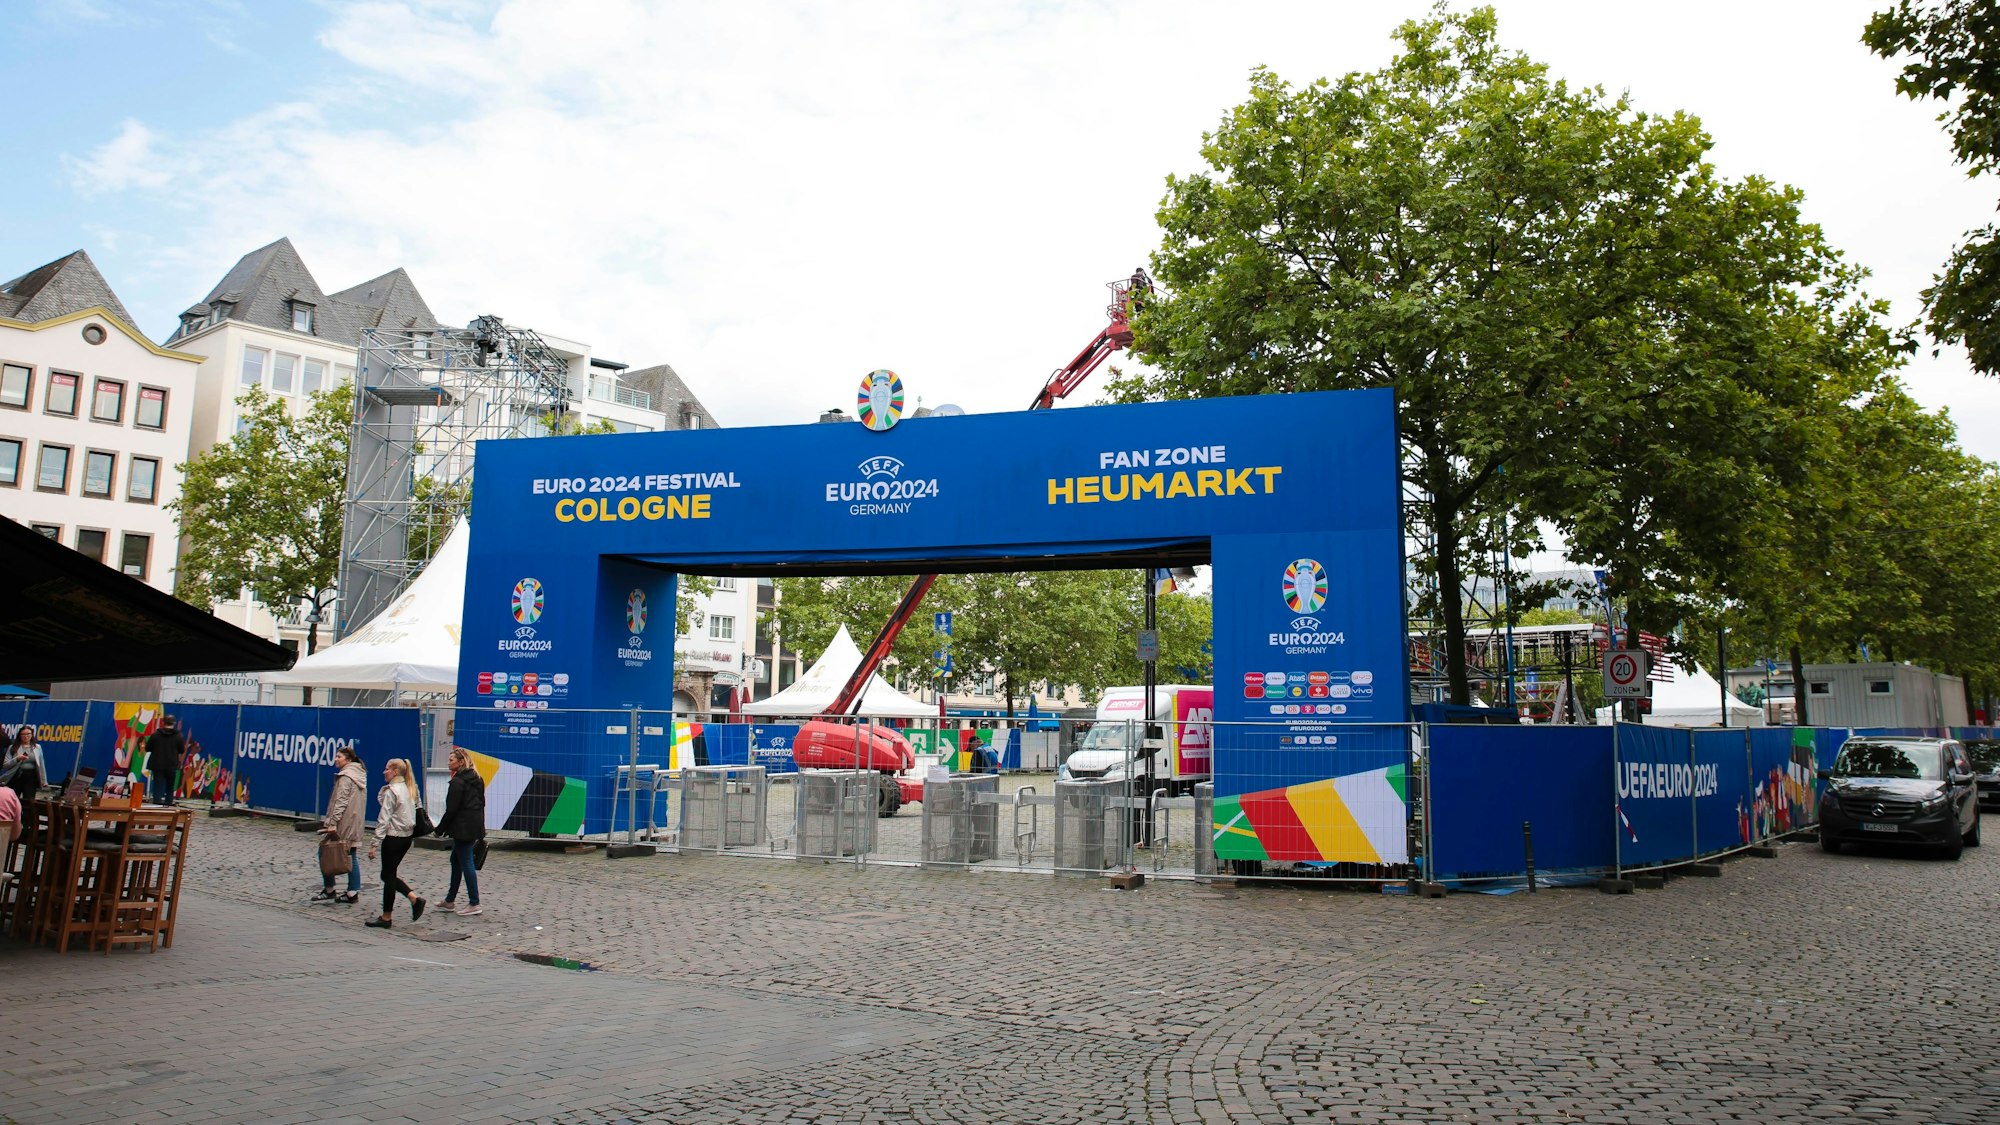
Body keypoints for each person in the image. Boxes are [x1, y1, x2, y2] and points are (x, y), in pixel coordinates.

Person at [365, 758, 426, 929]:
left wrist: (374, 843)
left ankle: (387, 917)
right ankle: (413, 899)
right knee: (387, 875)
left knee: (389, 877)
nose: (384, 772)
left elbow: (384, 819)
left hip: (393, 837)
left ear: (395, 771)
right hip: (406, 838)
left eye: (387, 769)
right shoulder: (411, 787)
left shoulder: (392, 791)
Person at [435, 748, 485, 916]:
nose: (448, 763)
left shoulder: (457, 782)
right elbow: (481, 804)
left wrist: (439, 830)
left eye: (451, 760)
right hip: (472, 825)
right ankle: (450, 900)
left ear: (461, 762)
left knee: (466, 862)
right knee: (456, 860)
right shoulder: (477, 778)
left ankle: (474, 902)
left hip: (462, 827)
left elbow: (451, 809)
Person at [314, 747, 366, 904]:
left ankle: (340, 890)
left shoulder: (346, 777)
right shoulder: (358, 774)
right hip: (353, 822)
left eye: (339, 757)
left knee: (327, 852)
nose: (336, 759)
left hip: (344, 823)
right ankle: (350, 890)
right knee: (350, 854)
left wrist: (333, 822)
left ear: (348, 760)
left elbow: (341, 801)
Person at [144, 715, 184, 806]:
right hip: (171, 764)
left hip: (157, 764)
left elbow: (147, 748)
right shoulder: (178, 736)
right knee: (170, 787)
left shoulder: (155, 735)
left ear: (163, 722)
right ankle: (168, 805)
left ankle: (157, 805)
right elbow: (181, 750)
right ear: (174, 723)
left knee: (158, 787)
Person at [0, 727, 46, 803]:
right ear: (19, 735)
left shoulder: (37, 747)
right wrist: (17, 759)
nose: (26, 736)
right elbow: (5, 765)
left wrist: (44, 781)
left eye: (28, 734)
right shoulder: (12, 747)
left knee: (29, 800)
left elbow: (41, 764)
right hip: (16, 776)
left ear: (32, 735)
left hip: (31, 778)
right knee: (14, 800)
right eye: (23, 734)